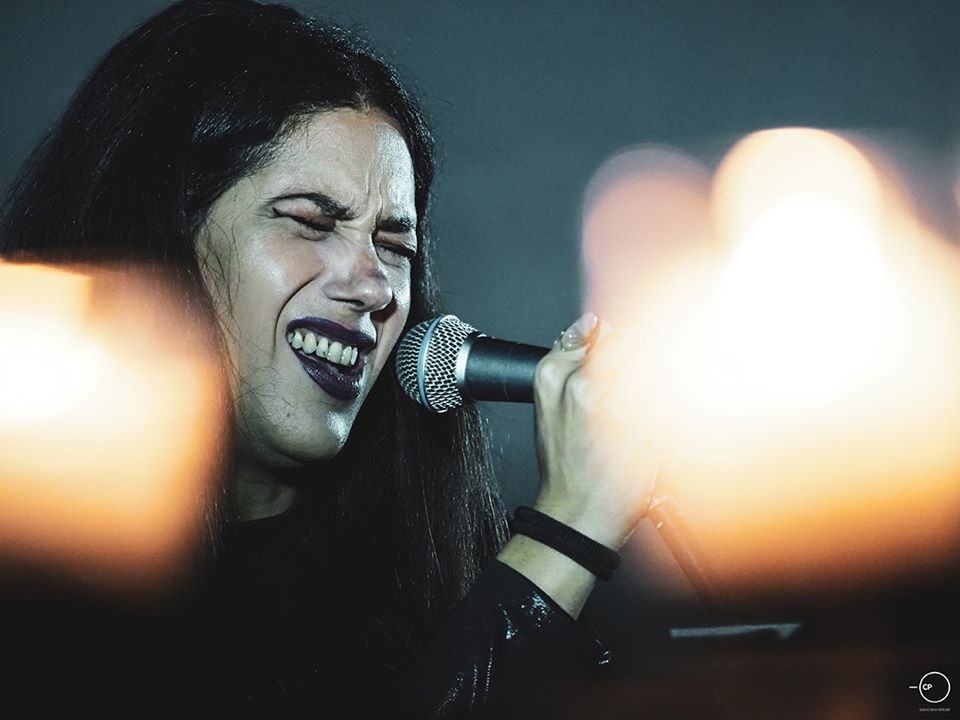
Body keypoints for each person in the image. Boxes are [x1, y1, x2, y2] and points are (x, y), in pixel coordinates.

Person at [0, 1, 659, 716]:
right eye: (311, 222)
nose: (375, 286)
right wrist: (566, 538)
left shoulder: (430, 561)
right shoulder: (41, 578)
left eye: (395, 246)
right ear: (164, 237)